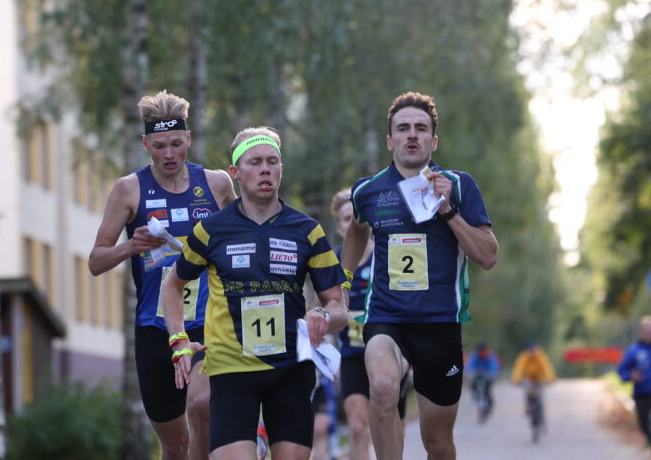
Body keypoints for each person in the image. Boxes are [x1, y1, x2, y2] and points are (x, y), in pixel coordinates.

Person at [161, 127, 348, 460]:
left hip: (291, 368)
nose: (265, 169)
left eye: (272, 162)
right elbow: (173, 285)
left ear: (281, 169)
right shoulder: (211, 230)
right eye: (255, 162)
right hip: (231, 369)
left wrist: (322, 314)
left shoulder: (307, 230)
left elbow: (338, 305)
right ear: (235, 172)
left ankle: (263, 441)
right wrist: (178, 339)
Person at [341, 91, 498, 459]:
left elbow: (488, 256)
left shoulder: (460, 185)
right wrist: (342, 282)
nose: (412, 134)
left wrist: (449, 211)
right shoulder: (367, 191)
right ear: (390, 140)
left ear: (433, 140)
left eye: (421, 128)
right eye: (403, 128)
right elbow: (357, 229)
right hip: (387, 318)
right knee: (382, 386)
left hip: (440, 324)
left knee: (438, 444)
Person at [88, 90, 236, 460]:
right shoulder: (129, 189)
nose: (168, 154)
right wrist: (130, 247)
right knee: (175, 444)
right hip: (155, 330)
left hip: (208, 324)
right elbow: (95, 261)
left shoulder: (216, 184)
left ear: (189, 139)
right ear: (146, 144)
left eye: (175, 144)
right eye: (158, 146)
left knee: (201, 407)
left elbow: (242, 238)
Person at [330, 188, 374, 460]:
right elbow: (322, 307)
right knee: (357, 428)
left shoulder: (385, 256)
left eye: (356, 217)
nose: (352, 223)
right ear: (338, 227)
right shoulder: (333, 263)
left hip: (387, 350)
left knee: (390, 427)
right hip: (352, 356)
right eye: (346, 219)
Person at [617, 316, 651, 445]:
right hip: (641, 392)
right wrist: (631, 376)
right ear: (641, 332)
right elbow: (622, 371)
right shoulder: (634, 351)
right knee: (643, 424)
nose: (649, 334)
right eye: (646, 331)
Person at [510, 341, 556, 433]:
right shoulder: (523, 357)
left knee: (541, 401)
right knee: (526, 390)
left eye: (533, 350)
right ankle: (527, 407)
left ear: (536, 349)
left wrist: (550, 378)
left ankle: (543, 423)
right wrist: (515, 379)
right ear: (527, 350)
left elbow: (547, 368)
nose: (532, 353)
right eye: (530, 351)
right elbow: (518, 368)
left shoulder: (541, 356)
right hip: (528, 379)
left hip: (539, 379)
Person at [465, 342, 501, 421]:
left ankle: (489, 404)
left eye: (484, 350)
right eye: (481, 351)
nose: (483, 352)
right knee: (473, 386)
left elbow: (494, 367)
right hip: (477, 375)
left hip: (487, 376)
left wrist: (493, 374)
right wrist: (469, 372)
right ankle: (475, 395)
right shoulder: (474, 356)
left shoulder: (490, 356)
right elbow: (470, 366)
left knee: (487, 390)